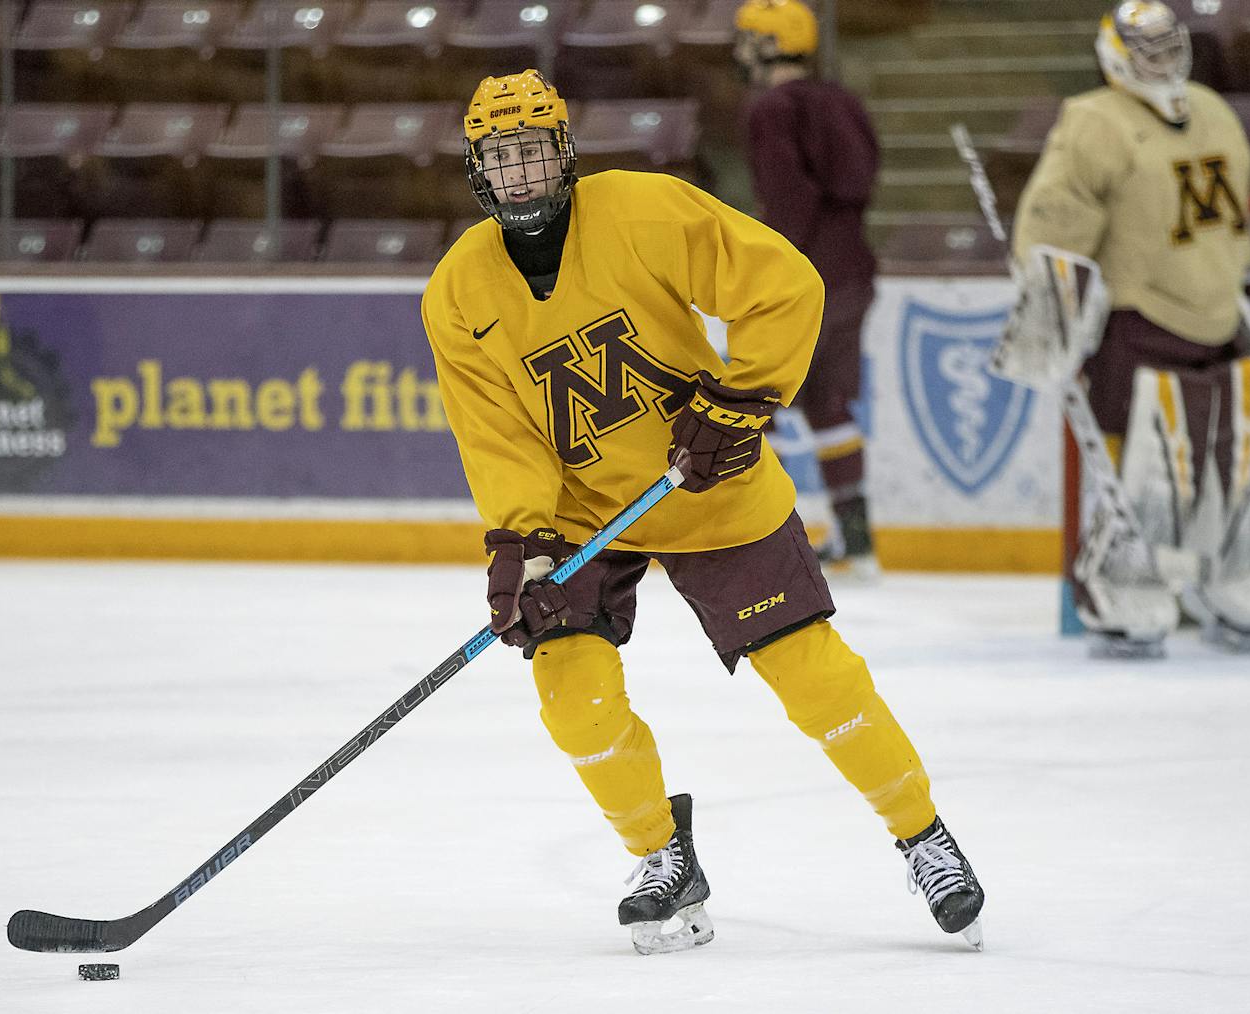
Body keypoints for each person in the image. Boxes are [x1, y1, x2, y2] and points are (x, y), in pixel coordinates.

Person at [421, 68, 984, 955]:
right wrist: (522, 543)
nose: (519, 175)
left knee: (814, 677)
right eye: (501, 159)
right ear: (476, 171)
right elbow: (497, 434)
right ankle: (661, 856)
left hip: (706, 483)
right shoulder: (456, 291)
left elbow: (786, 286)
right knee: (572, 696)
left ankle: (924, 836)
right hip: (581, 510)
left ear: (563, 154)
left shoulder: (645, 211)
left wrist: (742, 399)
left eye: (533, 154)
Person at [998, 1, 1250, 657]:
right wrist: (1049, 305)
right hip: (1138, 324)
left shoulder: (1215, 111)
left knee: (1243, 462)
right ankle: (1127, 585)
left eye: (1171, 48)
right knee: (1146, 469)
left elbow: (1234, 223)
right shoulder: (1094, 122)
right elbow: (1054, 222)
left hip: (1223, 318)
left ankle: (1241, 575)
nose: (1164, 64)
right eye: (1149, 52)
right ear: (1116, 54)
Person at [733, 0, 881, 574]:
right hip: (853, 273)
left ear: (769, 45)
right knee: (829, 404)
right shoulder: (842, 99)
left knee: (749, 404)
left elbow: (788, 199)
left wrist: (762, 275)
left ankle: (752, 541)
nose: (741, 51)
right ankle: (857, 537)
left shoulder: (774, 107)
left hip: (803, 282)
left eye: (750, 40)